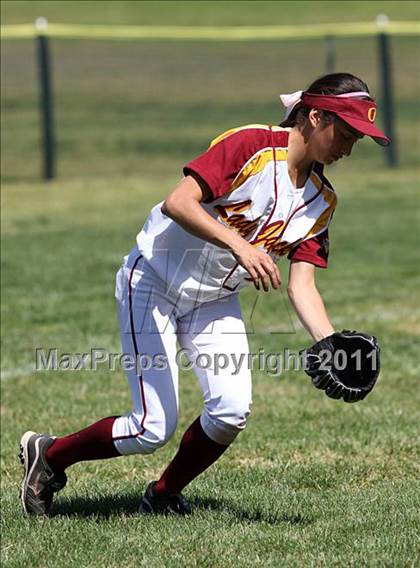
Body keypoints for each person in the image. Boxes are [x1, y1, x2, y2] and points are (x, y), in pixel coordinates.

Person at [19, 72, 389, 516]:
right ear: (315, 116)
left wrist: (328, 344)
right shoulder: (252, 146)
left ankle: (162, 495)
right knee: (151, 427)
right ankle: (50, 455)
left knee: (232, 411)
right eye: (346, 132)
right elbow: (178, 203)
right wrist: (241, 245)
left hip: (213, 298)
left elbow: (301, 284)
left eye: (359, 138)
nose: (350, 146)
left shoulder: (320, 202)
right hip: (152, 281)